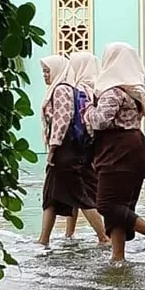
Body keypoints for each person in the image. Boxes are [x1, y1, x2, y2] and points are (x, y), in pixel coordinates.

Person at [82, 42, 145, 262]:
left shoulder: (112, 92)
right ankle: (117, 257)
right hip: (133, 147)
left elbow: (100, 122)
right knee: (121, 204)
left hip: (117, 150)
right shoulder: (133, 92)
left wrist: (88, 109)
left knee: (106, 204)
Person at [37, 52, 108, 248]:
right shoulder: (68, 89)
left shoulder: (62, 89)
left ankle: (103, 237)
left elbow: (62, 120)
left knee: (79, 196)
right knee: (52, 196)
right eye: (44, 72)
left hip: (65, 150)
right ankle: (44, 239)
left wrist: (53, 147)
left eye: (47, 71)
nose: (45, 75)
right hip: (71, 150)